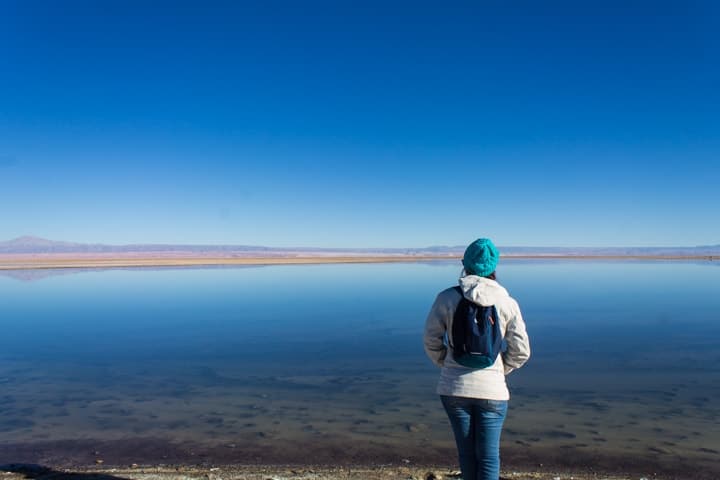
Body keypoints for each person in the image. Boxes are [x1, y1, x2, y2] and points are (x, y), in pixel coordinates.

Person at [423, 238, 530, 480]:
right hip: (493, 391)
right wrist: (501, 369)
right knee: (489, 457)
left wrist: (446, 362)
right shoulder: (507, 302)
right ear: (494, 267)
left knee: (467, 454)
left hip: (453, 389)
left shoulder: (446, 298)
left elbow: (431, 340)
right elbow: (521, 350)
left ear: (465, 264)